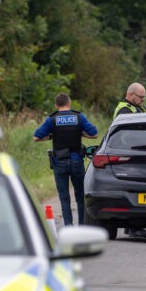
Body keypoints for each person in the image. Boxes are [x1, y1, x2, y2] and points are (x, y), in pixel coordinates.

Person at [34, 92, 99, 226]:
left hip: (60, 162)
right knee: (80, 197)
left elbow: (36, 137)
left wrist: (51, 136)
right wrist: (80, 132)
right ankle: (82, 225)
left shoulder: (52, 119)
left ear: (56, 105)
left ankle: (69, 226)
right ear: (69, 104)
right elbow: (94, 134)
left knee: (64, 198)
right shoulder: (79, 117)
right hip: (77, 161)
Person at [113, 83, 146, 238]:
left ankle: (134, 226)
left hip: (139, 153)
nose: (143, 101)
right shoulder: (124, 110)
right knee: (136, 190)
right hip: (130, 154)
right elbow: (133, 132)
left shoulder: (139, 108)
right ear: (130, 95)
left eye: (144, 98)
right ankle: (134, 227)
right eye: (140, 97)